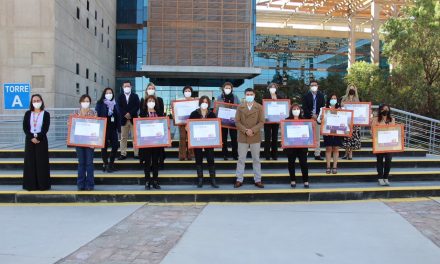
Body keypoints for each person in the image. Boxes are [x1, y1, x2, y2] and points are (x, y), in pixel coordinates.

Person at [234, 88, 265, 188]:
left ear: (254, 95)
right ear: (245, 95)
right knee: (241, 159)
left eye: (251, 94)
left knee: (256, 159)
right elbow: (237, 122)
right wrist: (246, 130)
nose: (249, 96)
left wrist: (253, 130)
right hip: (243, 136)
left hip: (255, 136)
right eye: (247, 94)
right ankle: (239, 179)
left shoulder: (259, 107)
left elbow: (261, 121)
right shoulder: (240, 107)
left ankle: (258, 179)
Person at [189, 96, 219, 188]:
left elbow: (216, 127)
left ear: (209, 104)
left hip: (209, 142)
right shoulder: (194, 113)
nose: (204, 103)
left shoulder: (212, 114)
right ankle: (200, 179)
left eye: (206, 102)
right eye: (203, 102)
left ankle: (213, 180)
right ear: (200, 103)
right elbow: (189, 126)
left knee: (210, 159)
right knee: (198, 159)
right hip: (197, 142)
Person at [22, 94, 51, 191]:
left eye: (38, 100)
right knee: (30, 162)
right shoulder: (27, 113)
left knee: (41, 162)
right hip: (29, 140)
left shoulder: (46, 114)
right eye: (34, 101)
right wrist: (31, 137)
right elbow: (25, 128)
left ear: (42, 101)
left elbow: (45, 128)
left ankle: (43, 185)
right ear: (31, 102)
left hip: (41, 140)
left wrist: (38, 137)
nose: (36, 102)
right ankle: (30, 185)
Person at [73, 94, 97, 191]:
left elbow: (96, 127)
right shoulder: (75, 113)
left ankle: (90, 184)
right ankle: (80, 184)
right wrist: (70, 124)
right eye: (84, 101)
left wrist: (94, 141)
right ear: (80, 102)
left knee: (89, 163)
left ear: (90, 103)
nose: (85, 103)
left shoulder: (94, 113)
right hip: (79, 142)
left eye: (87, 101)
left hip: (90, 142)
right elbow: (71, 126)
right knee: (81, 163)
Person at [139, 95, 163, 189]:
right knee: (147, 162)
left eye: (153, 100)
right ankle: (147, 181)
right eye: (149, 100)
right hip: (146, 142)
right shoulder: (142, 113)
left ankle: (155, 181)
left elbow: (163, 125)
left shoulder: (159, 113)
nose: (151, 102)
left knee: (155, 162)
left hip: (157, 142)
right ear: (146, 102)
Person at [140, 82, 166, 168]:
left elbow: (161, 114)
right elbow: (142, 114)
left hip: (157, 128)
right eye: (149, 88)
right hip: (147, 128)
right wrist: (148, 109)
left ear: (154, 90)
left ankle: (159, 162)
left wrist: (153, 108)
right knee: (147, 148)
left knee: (158, 147)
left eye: (152, 88)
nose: (151, 90)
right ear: (146, 90)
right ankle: (146, 163)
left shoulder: (160, 100)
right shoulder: (143, 100)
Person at [95, 88, 121, 173]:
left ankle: (111, 164)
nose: (109, 94)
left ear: (113, 94)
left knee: (115, 146)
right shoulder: (100, 103)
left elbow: (118, 116)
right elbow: (97, 115)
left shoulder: (115, 103)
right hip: (104, 128)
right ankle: (105, 164)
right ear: (104, 94)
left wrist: (119, 128)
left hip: (113, 128)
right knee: (104, 147)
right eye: (107, 93)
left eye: (110, 92)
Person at [284, 103, 309, 188]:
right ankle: (293, 180)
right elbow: (285, 134)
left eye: (297, 109)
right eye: (294, 109)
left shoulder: (305, 120)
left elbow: (308, 133)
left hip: (302, 146)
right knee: (291, 163)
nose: (296, 111)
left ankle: (306, 181)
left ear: (300, 110)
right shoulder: (286, 120)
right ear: (291, 111)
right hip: (291, 146)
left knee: (304, 164)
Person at [317, 94, 343, 174]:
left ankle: (335, 166)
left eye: (335, 98)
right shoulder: (324, 109)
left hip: (337, 132)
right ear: (329, 99)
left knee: (336, 148)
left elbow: (345, 120)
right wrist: (320, 118)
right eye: (332, 98)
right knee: (328, 148)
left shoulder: (341, 109)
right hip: (327, 131)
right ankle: (328, 166)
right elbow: (318, 121)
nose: (333, 99)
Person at [372, 104, 395, 186]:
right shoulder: (375, 120)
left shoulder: (392, 119)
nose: (385, 110)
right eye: (383, 109)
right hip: (379, 144)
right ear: (380, 110)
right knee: (380, 161)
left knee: (388, 161)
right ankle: (380, 178)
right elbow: (372, 132)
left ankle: (386, 177)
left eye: (387, 109)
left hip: (389, 144)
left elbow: (394, 130)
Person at [302, 80, 325, 160]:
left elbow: (323, 107)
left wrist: (317, 116)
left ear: (318, 86)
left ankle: (317, 154)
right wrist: (312, 115)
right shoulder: (305, 95)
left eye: (315, 85)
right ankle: (305, 153)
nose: (314, 86)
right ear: (310, 87)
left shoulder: (321, 95)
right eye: (312, 85)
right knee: (306, 137)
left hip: (318, 119)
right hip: (308, 119)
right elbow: (305, 108)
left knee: (317, 137)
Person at [217, 82, 240, 160]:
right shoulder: (219, 97)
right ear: (223, 89)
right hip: (223, 121)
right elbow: (217, 108)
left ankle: (235, 155)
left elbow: (239, 108)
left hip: (233, 121)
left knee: (234, 138)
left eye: (229, 88)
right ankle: (225, 154)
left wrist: (237, 117)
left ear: (232, 89)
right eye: (226, 88)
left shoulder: (235, 97)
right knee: (224, 138)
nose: (227, 89)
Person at [117, 80, 140, 160]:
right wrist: (125, 114)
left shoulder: (135, 96)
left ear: (131, 87)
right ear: (123, 87)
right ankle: (123, 153)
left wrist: (130, 113)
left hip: (133, 119)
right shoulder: (120, 96)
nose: (127, 87)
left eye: (128, 86)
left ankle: (136, 153)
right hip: (123, 120)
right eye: (125, 86)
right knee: (123, 137)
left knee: (135, 137)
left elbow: (137, 106)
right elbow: (118, 107)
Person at [263, 82, 286, 160]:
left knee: (275, 138)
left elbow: (282, 107)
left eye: (274, 87)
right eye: (271, 87)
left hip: (276, 120)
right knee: (267, 138)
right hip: (267, 120)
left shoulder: (279, 96)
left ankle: (274, 155)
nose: (273, 88)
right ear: (268, 88)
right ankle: (267, 155)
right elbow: (263, 106)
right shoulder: (265, 95)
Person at [341, 84, 362, 160]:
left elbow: (360, 109)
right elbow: (341, 107)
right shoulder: (343, 98)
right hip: (346, 121)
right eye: (350, 89)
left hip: (355, 122)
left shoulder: (358, 99)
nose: (351, 90)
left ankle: (350, 153)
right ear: (348, 89)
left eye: (353, 89)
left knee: (353, 137)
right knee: (346, 137)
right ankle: (346, 152)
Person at [178, 86, 195, 161]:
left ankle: (190, 155)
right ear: (183, 92)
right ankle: (182, 155)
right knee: (182, 138)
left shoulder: (194, 101)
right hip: (182, 122)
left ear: (191, 92)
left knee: (190, 139)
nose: (187, 92)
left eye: (189, 91)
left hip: (191, 123)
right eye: (186, 91)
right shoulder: (179, 101)